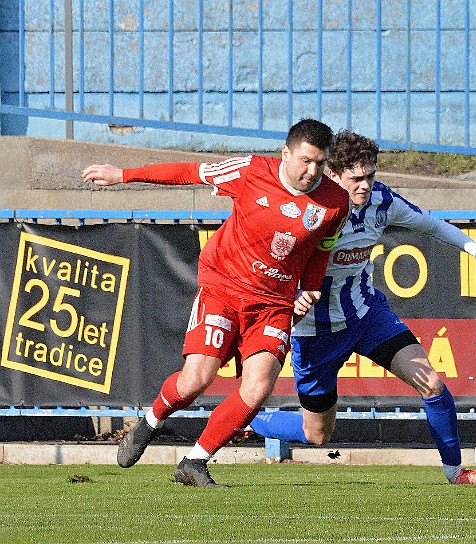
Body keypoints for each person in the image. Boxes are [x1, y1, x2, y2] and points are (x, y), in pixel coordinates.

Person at [239, 130, 476, 484]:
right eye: (356, 178)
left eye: (370, 175)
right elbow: (269, 262)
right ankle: (244, 418)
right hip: (315, 332)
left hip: (366, 315)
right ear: (333, 175)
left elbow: (431, 225)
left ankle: (455, 473)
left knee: (431, 383)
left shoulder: (382, 202)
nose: (365, 185)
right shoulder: (305, 210)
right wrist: (291, 296)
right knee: (318, 435)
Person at [81, 119, 351, 487]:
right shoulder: (252, 171)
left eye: (320, 163)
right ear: (285, 153)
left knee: (257, 388)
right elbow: (189, 172)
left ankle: (195, 461)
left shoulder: (335, 202)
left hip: (273, 303)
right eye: (305, 160)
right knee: (195, 382)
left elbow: (322, 249)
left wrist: (312, 287)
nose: (313, 171)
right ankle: (150, 422)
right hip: (223, 288)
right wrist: (124, 174)